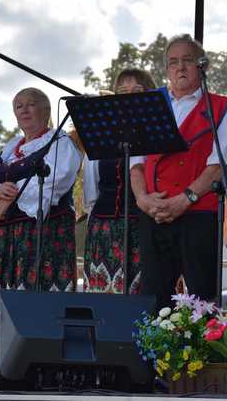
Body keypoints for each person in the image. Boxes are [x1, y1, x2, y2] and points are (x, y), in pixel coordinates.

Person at [0, 87, 82, 371]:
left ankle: (44, 369)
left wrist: (6, 201)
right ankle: (6, 368)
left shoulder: (60, 144)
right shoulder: (10, 148)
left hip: (44, 236)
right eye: (18, 106)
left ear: (46, 111)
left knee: (40, 300)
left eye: (30, 104)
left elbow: (54, 183)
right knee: (5, 301)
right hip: (7, 239)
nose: (24, 110)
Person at [130, 34, 227, 309]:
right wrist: (143, 200)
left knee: (203, 298)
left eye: (188, 60)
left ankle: (205, 352)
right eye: (173, 62)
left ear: (202, 66)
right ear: (166, 69)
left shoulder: (220, 107)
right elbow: (135, 162)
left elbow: (221, 163)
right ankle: (151, 352)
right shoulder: (149, 103)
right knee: (152, 298)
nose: (180, 67)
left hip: (199, 215)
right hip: (154, 213)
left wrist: (184, 200)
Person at [82, 69, 156, 294]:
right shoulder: (102, 134)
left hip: (141, 225)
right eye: (123, 91)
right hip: (103, 228)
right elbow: (91, 187)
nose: (129, 96)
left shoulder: (157, 131)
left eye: (137, 90)